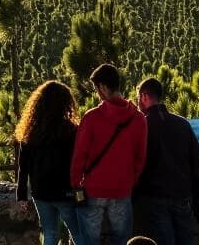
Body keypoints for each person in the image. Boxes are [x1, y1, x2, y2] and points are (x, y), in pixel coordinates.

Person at [71, 63, 147, 245]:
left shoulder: (91, 118)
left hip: (94, 189)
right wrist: (130, 181)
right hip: (122, 189)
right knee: (122, 240)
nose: (96, 93)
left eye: (96, 88)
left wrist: (76, 183)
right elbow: (140, 158)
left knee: (89, 240)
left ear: (103, 88)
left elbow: (79, 156)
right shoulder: (138, 119)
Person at [132, 78, 199, 245]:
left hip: (154, 198)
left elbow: (134, 163)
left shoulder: (142, 125)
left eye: (138, 97)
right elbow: (198, 165)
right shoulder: (182, 124)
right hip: (182, 196)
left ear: (144, 96)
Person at [14, 80, 87, 245]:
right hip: (65, 192)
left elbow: (23, 166)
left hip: (40, 191)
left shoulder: (29, 131)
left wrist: (21, 195)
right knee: (77, 233)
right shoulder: (71, 130)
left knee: (49, 233)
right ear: (66, 103)